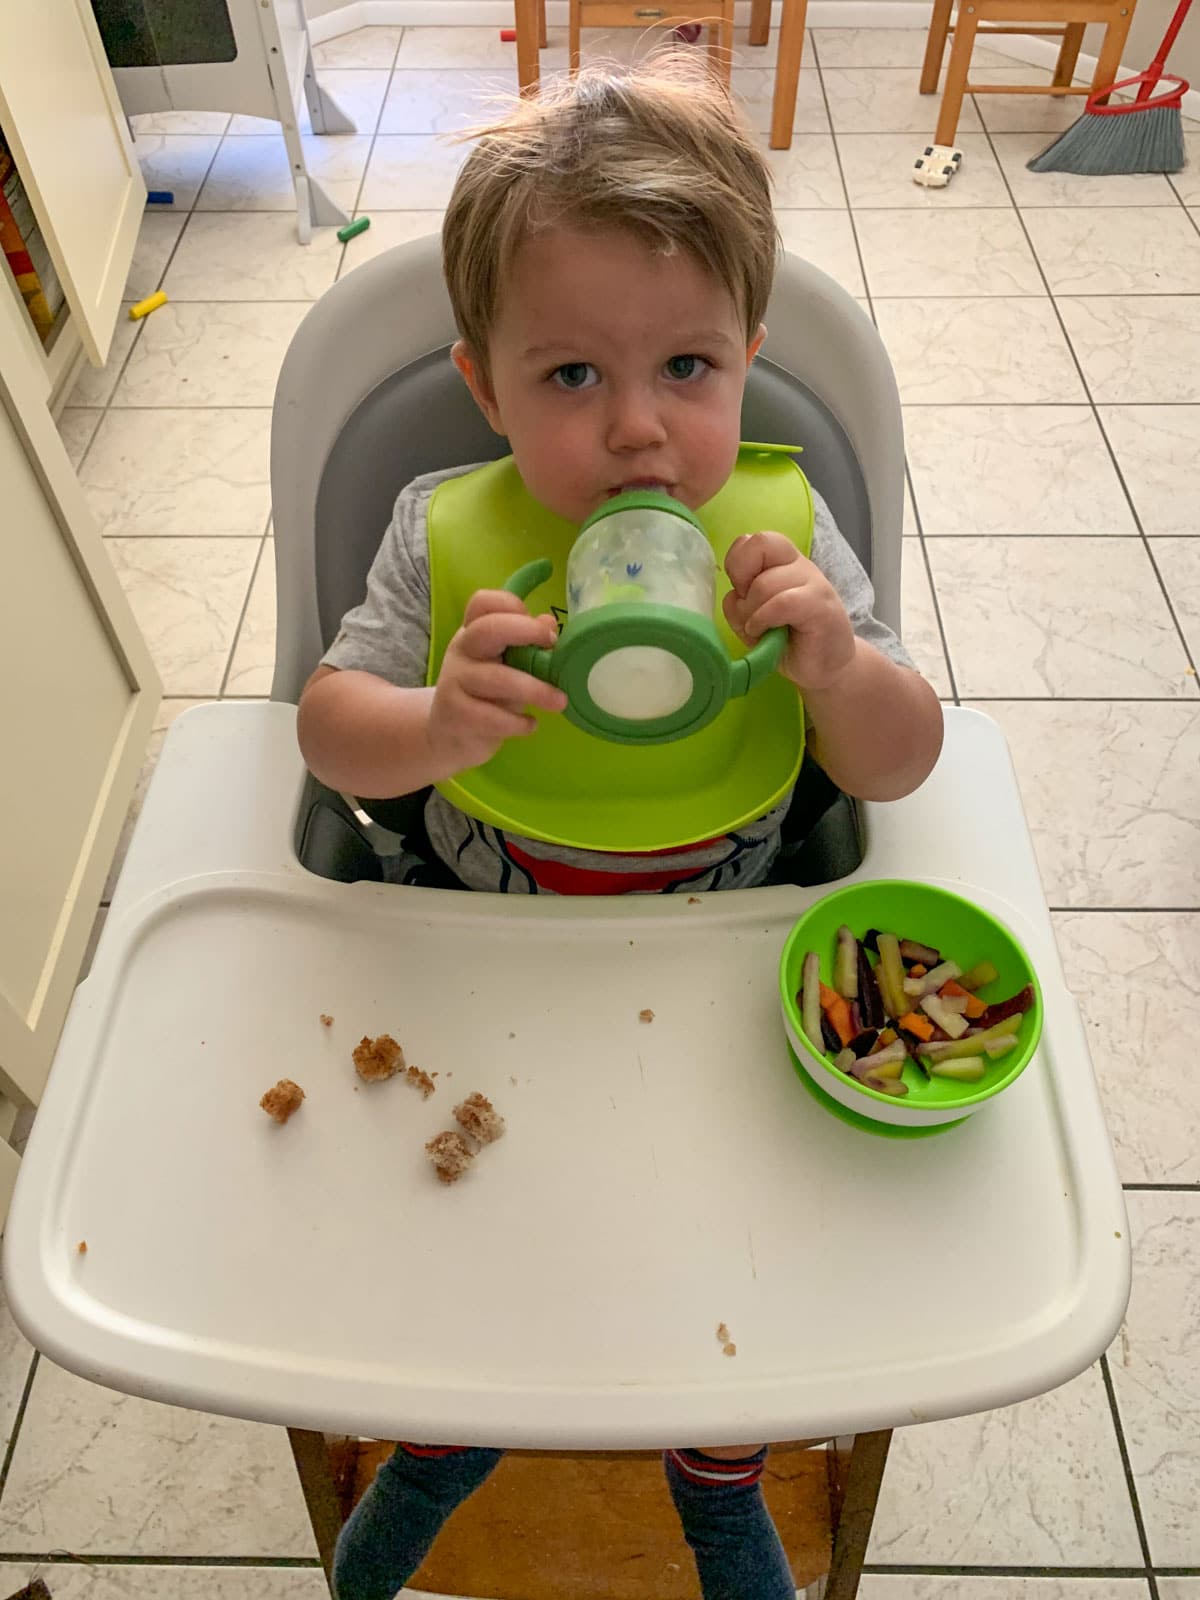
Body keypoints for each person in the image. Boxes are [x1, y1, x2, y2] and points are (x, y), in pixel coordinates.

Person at [298, 54, 943, 1600]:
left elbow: (910, 761)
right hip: (484, 961)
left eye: (689, 371)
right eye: (571, 377)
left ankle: (717, 1471)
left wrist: (837, 666)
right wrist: (434, 726)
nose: (640, 433)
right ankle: (449, 1440)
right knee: (475, 1239)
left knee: (721, 1249)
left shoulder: (780, 539)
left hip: (723, 973)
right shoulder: (442, 535)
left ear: (750, 359)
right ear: (483, 381)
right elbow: (326, 729)